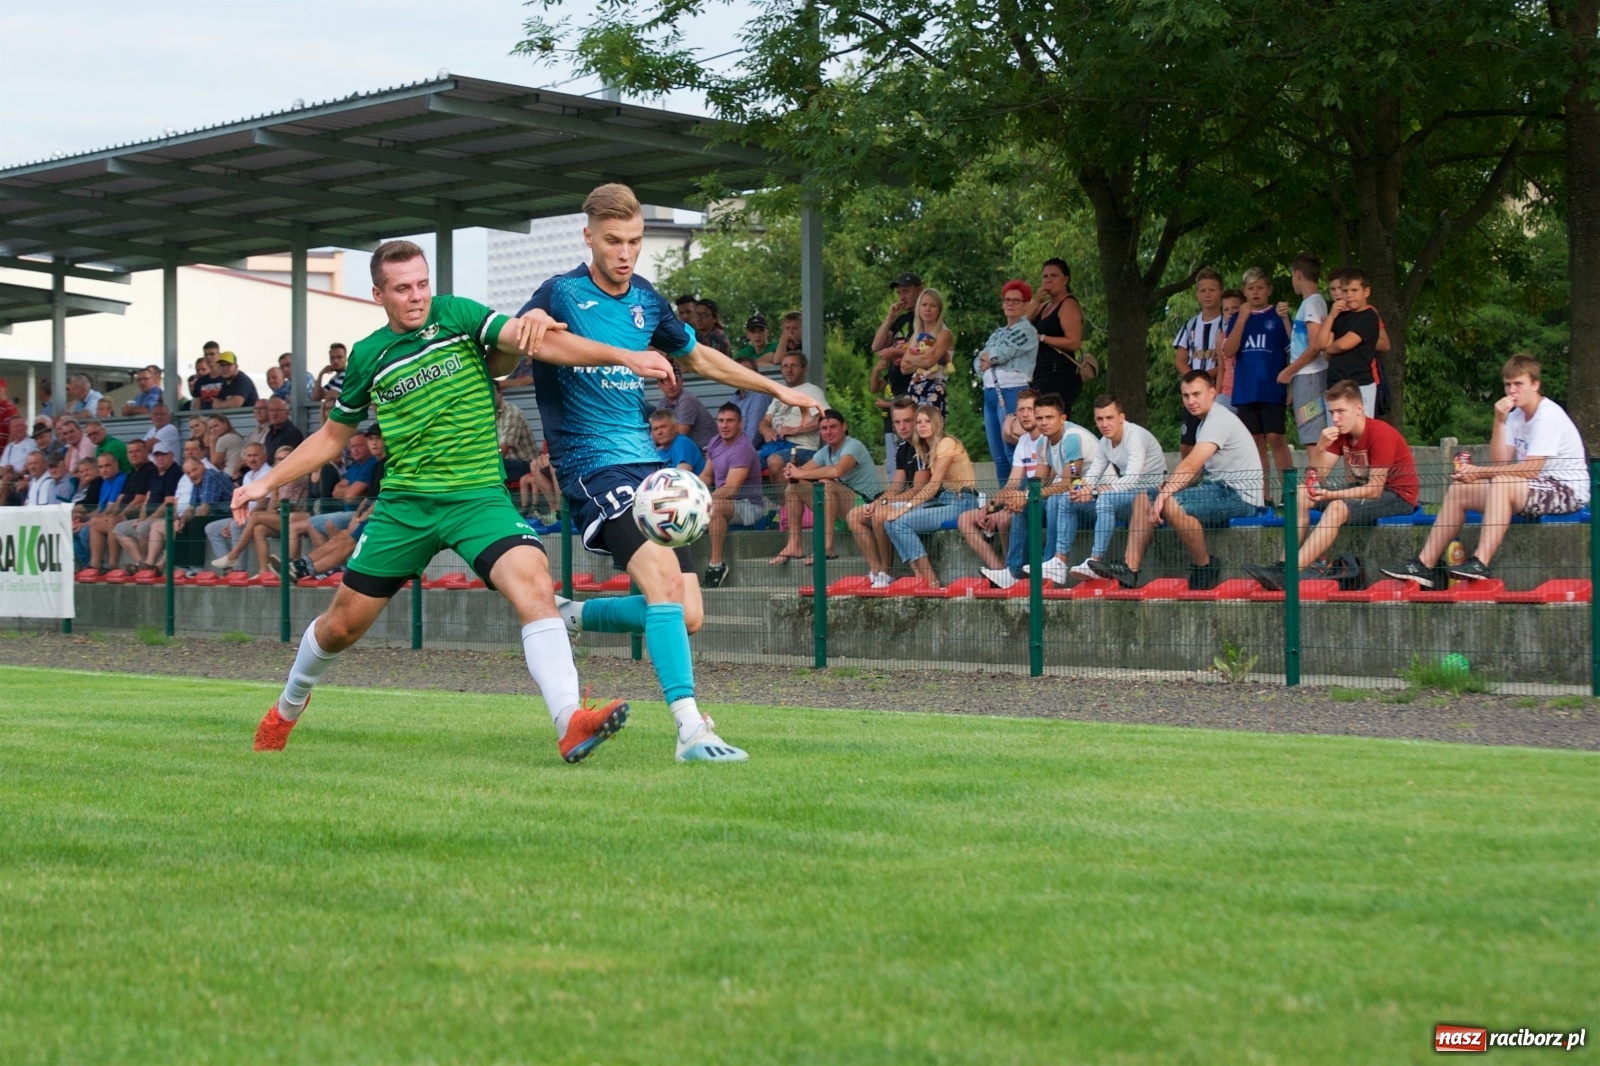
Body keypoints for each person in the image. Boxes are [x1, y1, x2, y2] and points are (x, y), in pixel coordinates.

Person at [237, 237, 668, 760]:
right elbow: (331, 437)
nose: (416, 297)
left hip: (478, 500)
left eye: (422, 284)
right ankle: (288, 705)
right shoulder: (369, 356)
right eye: (402, 289)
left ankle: (570, 721)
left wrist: (626, 356)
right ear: (379, 295)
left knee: (533, 581)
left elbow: (534, 342)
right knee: (341, 627)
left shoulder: (457, 315)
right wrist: (262, 483)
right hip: (405, 509)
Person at [526, 184, 820, 764]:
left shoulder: (646, 299)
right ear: (589, 237)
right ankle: (691, 728)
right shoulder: (558, 293)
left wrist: (774, 386)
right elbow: (512, 350)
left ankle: (571, 614)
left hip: (650, 471)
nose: (625, 252)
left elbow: (699, 356)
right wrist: (534, 322)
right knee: (661, 586)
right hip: (592, 463)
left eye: (634, 241)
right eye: (613, 241)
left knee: (687, 613)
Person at [1383, 354, 1588, 586]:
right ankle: (1423, 565)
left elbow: (1531, 469)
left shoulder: (1547, 416)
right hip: (1531, 489)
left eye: (1519, 384)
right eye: (1508, 384)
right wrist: (1499, 421)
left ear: (1535, 385)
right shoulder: (1516, 415)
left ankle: (1481, 562)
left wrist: (1478, 472)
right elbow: (1501, 462)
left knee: (1501, 482)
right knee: (1461, 489)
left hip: (1565, 490)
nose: (1512, 391)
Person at [1090, 371, 1262, 590]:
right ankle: (1129, 569)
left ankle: (1205, 565)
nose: (1191, 401)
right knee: (1144, 496)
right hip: (1217, 489)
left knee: (1171, 503)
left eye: (1196, 394)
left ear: (1212, 393)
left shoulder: (1219, 418)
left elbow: (1190, 465)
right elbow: (1201, 472)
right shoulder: (1203, 423)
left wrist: (1164, 495)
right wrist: (1165, 489)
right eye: (1186, 395)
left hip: (1240, 497)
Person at [1247, 379, 1418, 590]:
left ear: (1359, 409)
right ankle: (1282, 564)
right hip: (1363, 490)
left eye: (1341, 411)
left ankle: (1291, 571)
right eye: (1332, 412)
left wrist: (1329, 495)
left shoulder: (1380, 433)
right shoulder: (1339, 433)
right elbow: (1316, 479)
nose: (1335, 419)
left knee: (1337, 507)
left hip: (1397, 495)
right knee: (1301, 494)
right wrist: (1320, 448)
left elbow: (1375, 489)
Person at [1066, 395, 1168, 580]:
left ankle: (1094, 559)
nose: (1105, 424)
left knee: (1105, 497)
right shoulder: (1104, 441)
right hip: (1130, 494)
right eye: (1100, 419)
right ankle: (1056, 562)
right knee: (1065, 500)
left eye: (1109, 418)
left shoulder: (1134, 436)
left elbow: (1132, 479)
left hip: (1151, 493)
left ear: (1121, 417)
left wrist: (1095, 491)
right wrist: (1081, 489)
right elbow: (1093, 474)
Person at [882, 404, 979, 589]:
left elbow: (932, 486)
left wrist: (904, 508)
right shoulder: (927, 446)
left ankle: (932, 582)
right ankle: (918, 575)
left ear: (937, 423)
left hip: (963, 502)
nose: (922, 425)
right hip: (945, 500)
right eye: (919, 422)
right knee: (888, 521)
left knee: (901, 521)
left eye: (927, 421)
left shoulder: (946, 443)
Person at [1219, 267, 1291, 507]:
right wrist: (1241, 318)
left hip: (1272, 388)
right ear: (1244, 292)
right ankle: (1264, 497)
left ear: (1269, 290)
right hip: (1246, 391)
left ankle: (1290, 494)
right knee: (1255, 441)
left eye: (1260, 287)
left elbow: (1292, 350)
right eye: (1250, 288)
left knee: (1276, 437)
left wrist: (1291, 385)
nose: (1256, 292)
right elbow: (1228, 351)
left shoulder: (1277, 316)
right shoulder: (1238, 317)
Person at [773, 409, 882, 564]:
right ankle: (794, 545)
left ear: (844, 427)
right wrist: (791, 472)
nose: (828, 432)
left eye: (833, 427)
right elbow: (801, 472)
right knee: (794, 487)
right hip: (840, 509)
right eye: (824, 428)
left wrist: (799, 474)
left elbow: (837, 470)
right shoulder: (825, 452)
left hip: (866, 507)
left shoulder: (853, 445)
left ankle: (827, 547)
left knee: (826, 484)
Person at [967, 389, 1043, 589]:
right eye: (1021, 410)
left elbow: (1049, 482)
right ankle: (1012, 572)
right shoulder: (1024, 443)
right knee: (1006, 509)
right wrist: (990, 506)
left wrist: (1014, 501)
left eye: (1030, 409)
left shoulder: (1047, 438)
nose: (1025, 414)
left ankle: (1014, 572)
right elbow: (1011, 484)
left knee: (1015, 509)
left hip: (1050, 497)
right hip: (1029, 497)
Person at [848, 396, 925, 588]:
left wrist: (883, 505)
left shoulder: (924, 446)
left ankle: (887, 571)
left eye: (907, 421)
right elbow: (897, 486)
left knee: (880, 514)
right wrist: (877, 502)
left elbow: (918, 490)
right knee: (854, 515)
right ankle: (876, 570)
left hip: (929, 501)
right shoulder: (902, 448)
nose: (902, 427)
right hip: (907, 500)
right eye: (897, 422)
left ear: (917, 419)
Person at [1032, 393, 1101, 584]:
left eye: (1049, 417)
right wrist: (1023, 497)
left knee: (1056, 498)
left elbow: (1070, 481)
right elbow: (1039, 481)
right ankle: (1013, 570)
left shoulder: (1071, 438)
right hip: (1076, 496)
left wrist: (1028, 495)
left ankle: (1051, 564)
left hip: (1099, 498)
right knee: (1023, 508)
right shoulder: (1042, 443)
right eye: (1039, 418)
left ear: (1063, 418)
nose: (1044, 423)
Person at [976, 280, 1040, 482]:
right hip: (990, 393)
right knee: (998, 455)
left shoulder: (1027, 330)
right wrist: (987, 358)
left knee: (1013, 448)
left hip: (1012, 391)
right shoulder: (998, 333)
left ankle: (1020, 502)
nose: (1010, 304)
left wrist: (990, 357)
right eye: (1007, 299)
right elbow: (978, 363)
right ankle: (1004, 505)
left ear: (1026, 304)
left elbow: (1002, 353)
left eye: (1016, 300)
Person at [702, 404, 765, 587]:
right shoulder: (714, 442)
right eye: (721, 421)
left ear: (740, 424)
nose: (724, 425)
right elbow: (706, 476)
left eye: (730, 421)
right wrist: (686, 494)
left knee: (715, 507)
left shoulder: (742, 448)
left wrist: (702, 501)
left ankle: (716, 565)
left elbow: (730, 489)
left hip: (748, 506)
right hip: (722, 500)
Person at [1277, 254, 1329, 461]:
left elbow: (1315, 345)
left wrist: (1289, 371)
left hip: (1310, 376)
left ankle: (1316, 481)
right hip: (1304, 376)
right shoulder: (1310, 304)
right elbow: (1301, 342)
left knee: (1311, 431)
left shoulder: (1312, 304)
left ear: (1298, 275)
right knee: (1308, 430)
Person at [870, 271, 922, 473]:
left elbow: (925, 350)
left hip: (916, 388)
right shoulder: (901, 320)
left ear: (919, 290)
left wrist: (895, 351)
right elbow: (876, 345)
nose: (902, 297)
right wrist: (890, 318)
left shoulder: (925, 320)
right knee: (900, 450)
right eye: (899, 292)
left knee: (917, 445)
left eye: (906, 291)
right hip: (898, 390)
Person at [147, 457, 234, 574]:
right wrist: (181, 520)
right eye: (188, 473)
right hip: (218, 514)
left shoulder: (209, 476)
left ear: (202, 466)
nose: (192, 474)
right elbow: (191, 508)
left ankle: (197, 568)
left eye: (194, 470)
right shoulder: (197, 482)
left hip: (231, 514)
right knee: (183, 523)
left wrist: (188, 519)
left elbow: (205, 510)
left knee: (196, 522)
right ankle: (182, 567)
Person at [1313, 268, 1381, 417]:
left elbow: (1343, 344)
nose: (1349, 295)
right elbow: (1320, 344)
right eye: (1345, 291)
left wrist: (1329, 349)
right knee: (1337, 432)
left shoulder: (1368, 316)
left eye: (1354, 290)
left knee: (1360, 432)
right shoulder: (1340, 317)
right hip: (1335, 383)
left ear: (1366, 292)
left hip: (1359, 384)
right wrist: (1331, 316)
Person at [1172, 268, 1225, 459]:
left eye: (1212, 289)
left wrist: (1206, 377)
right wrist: (1195, 380)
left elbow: (1229, 360)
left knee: (1215, 442)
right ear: (1197, 294)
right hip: (1194, 391)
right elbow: (1180, 359)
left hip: (1219, 389)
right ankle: (1191, 485)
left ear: (1220, 292)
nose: (1207, 294)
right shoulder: (1190, 325)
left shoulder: (1227, 323)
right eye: (1203, 290)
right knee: (1188, 445)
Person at [756, 352, 828, 482]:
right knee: (744, 460)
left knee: (774, 460)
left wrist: (796, 430)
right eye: (785, 366)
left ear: (805, 369)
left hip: (803, 447)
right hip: (778, 445)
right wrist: (766, 430)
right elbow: (764, 421)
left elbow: (825, 418)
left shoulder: (812, 390)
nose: (789, 370)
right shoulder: (780, 393)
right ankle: (751, 502)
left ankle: (784, 503)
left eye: (794, 365)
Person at [114, 442, 184, 573]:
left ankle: (148, 565)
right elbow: (147, 498)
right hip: (150, 517)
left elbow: (168, 503)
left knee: (142, 527)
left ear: (171, 455)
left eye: (164, 455)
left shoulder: (174, 473)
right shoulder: (155, 473)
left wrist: (147, 519)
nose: (160, 458)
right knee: (119, 529)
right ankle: (141, 563)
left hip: (163, 517)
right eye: (157, 455)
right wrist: (142, 517)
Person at [1027, 258, 1085, 415]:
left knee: (1050, 418)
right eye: (1045, 277)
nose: (1048, 280)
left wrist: (1042, 338)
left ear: (1065, 279)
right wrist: (1036, 300)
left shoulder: (1068, 304)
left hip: (1058, 372)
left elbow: (1073, 342)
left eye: (1054, 276)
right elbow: (1022, 327)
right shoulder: (1044, 306)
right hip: (1039, 373)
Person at [88, 438, 154, 574]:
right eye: (130, 452)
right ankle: (94, 566)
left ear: (146, 452)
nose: (133, 455)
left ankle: (112, 565)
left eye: (137, 451)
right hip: (125, 513)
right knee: (95, 522)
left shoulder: (149, 470)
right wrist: (111, 511)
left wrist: (121, 514)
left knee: (113, 521)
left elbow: (139, 499)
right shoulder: (131, 473)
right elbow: (120, 498)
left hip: (137, 514)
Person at [207, 443, 272, 571]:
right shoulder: (248, 476)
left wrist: (238, 519)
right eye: (249, 456)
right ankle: (228, 571)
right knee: (211, 528)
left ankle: (239, 570)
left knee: (236, 525)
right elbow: (241, 503)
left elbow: (263, 504)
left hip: (260, 516)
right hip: (246, 515)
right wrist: (235, 518)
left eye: (256, 455)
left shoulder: (269, 473)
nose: (252, 459)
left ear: (265, 456)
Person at [902, 288, 954, 414]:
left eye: (933, 306)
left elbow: (929, 361)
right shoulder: (916, 335)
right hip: (914, 386)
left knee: (931, 430)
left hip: (935, 387)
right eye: (924, 305)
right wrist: (917, 359)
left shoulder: (944, 334)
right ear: (918, 308)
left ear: (939, 310)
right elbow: (903, 368)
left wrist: (911, 358)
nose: (927, 309)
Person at [74, 453, 126, 575]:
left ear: (116, 465)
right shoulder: (105, 482)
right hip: (103, 517)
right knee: (74, 531)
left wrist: (88, 522)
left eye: (107, 465)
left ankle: (104, 565)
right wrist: (85, 517)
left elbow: (110, 508)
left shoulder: (120, 479)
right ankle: (91, 565)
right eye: (101, 467)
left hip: (118, 516)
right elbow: (99, 509)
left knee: (84, 532)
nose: (104, 470)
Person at [655, 365, 717, 449]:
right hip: (690, 449)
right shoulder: (662, 402)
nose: (670, 386)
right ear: (659, 386)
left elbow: (681, 435)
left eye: (675, 381)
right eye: (665, 382)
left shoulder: (686, 400)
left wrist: (659, 449)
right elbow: (658, 432)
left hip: (708, 450)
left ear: (681, 382)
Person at [728, 353, 772, 445]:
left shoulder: (760, 395)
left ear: (755, 374)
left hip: (749, 451)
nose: (740, 376)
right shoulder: (734, 398)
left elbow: (753, 437)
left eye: (745, 372)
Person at [1215, 288, 1244, 409]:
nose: (1230, 312)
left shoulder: (1250, 334)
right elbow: (1221, 370)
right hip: (1227, 393)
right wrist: (1217, 395)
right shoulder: (1220, 338)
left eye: (1235, 308)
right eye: (1226, 309)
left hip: (1245, 393)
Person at [206, 414, 246, 481]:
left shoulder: (223, 439)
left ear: (225, 423)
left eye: (216, 426)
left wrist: (212, 443)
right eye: (210, 428)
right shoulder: (237, 436)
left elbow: (215, 463)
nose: (213, 430)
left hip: (229, 475)